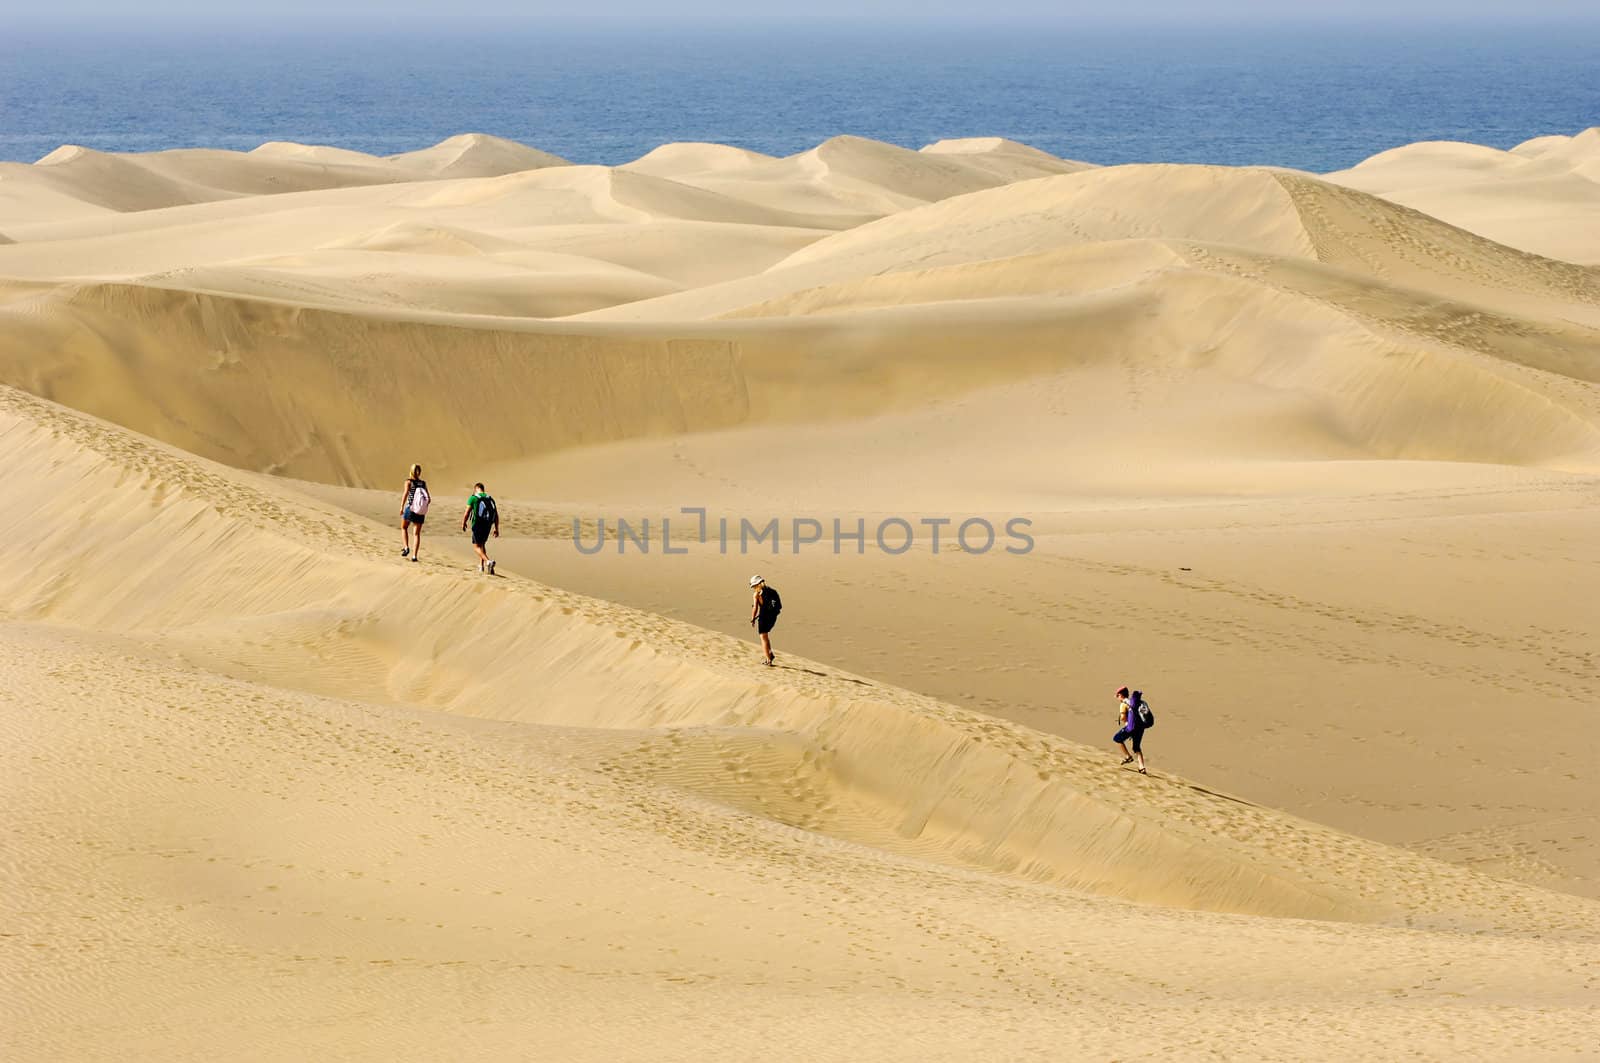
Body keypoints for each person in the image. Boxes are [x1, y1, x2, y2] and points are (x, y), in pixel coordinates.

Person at [462, 482, 499, 575]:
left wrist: (463, 522)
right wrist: (496, 528)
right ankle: (481, 566)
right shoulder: (490, 499)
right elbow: (496, 515)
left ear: (475, 489)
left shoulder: (473, 498)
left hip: (478, 524)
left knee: (476, 547)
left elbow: (467, 512)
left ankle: (488, 562)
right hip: (488, 524)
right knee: (482, 544)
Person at [1113, 685, 1148, 774]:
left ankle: (1128, 757)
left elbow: (1123, 717)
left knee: (1117, 738)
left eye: (1117, 696)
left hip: (1131, 727)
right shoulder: (1135, 703)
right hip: (1141, 727)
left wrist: (1127, 724)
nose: (1117, 698)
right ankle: (1142, 767)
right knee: (1136, 747)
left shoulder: (1123, 704)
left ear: (1120, 695)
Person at [400, 464, 431, 562]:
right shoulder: (423, 483)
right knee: (416, 534)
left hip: (410, 508)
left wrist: (401, 507)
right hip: (420, 512)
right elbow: (428, 499)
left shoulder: (408, 482)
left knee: (404, 527)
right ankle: (414, 556)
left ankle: (406, 547)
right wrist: (422, 507)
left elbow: (405, 494)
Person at [748, 575, 781, 666]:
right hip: (773, 617)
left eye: (754, 586)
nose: (753, 588)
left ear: (756, 584)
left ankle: (768, 660)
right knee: (766, 636)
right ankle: (770, 654)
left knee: (763, 638)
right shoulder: (772, 591)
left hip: (763, 618)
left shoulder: (757, 594)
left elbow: (755, 608)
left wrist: (752, 618)